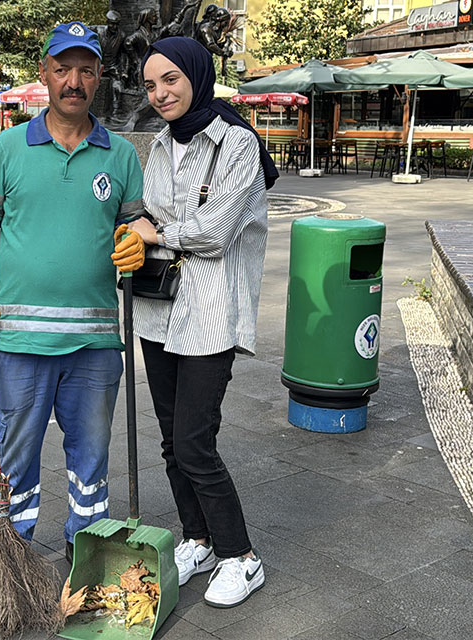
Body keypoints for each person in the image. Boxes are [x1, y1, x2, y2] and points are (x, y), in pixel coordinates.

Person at [0, 22, 145, 561]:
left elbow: (135, 224)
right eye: (62, 69)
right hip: (18, 341)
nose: (73, 82)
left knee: (92, 461)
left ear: (100, 76)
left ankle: (87, 554)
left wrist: (138, 239)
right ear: (44, 73)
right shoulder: (9, 147)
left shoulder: (121, 154)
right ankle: (10, 559)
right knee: (13, 459)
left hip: (96, 343)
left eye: (85, 70)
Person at [127, 36, 278, 609]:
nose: (160, 93)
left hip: (211, 314)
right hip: (158, 310)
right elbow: (149, 212)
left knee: (194, 442)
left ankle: (241, 555)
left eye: (170, 79)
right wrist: (139, 229)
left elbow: (215, 232)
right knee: (172, 441)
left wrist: (158, 232)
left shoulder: (236, 142)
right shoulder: (162, 145)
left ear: (196, 75)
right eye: (150, 85)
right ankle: (199, 539)